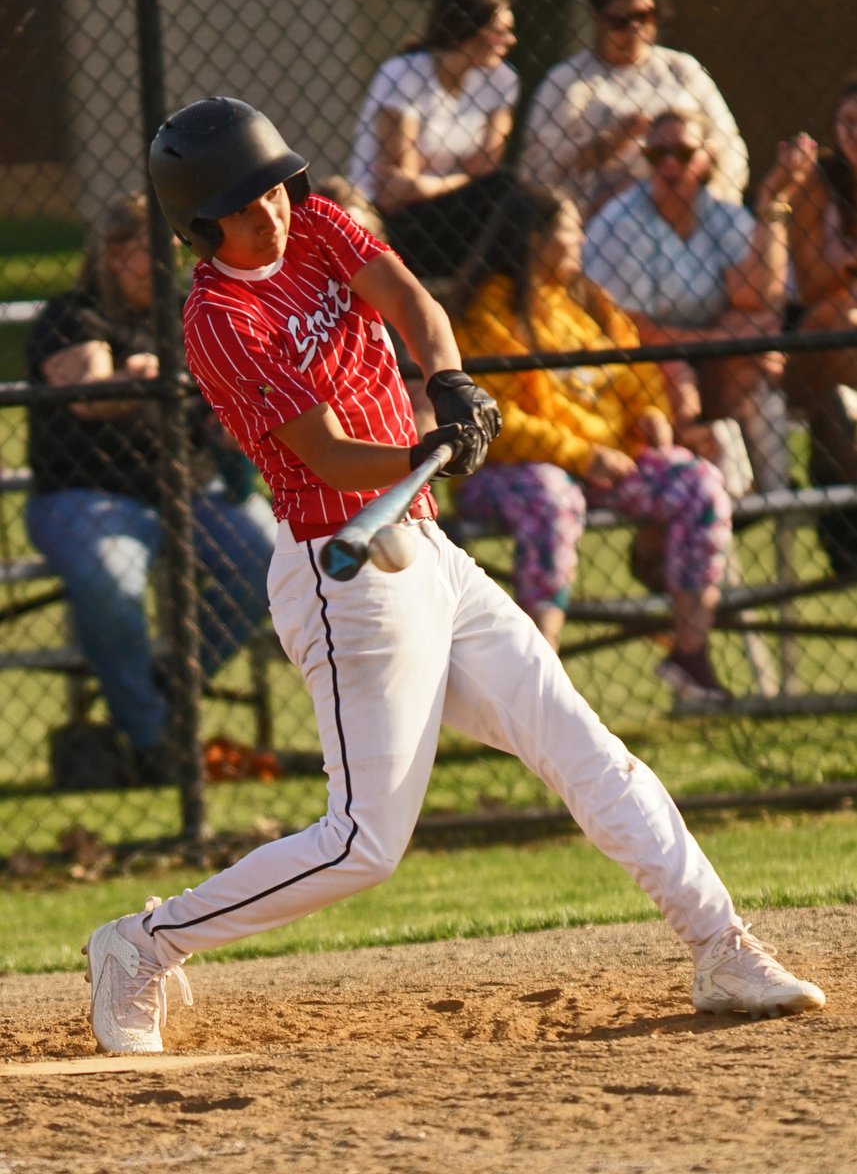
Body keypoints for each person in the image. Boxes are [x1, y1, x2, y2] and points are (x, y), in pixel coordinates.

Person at [83, 97, 824, 1056]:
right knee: (363, 845)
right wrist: (426, 452)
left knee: (584, 747)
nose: (269, 210)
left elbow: (411, 303)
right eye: (243, 202)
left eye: (271, 188)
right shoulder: (218, 319)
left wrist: (448, 384)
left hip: (425, 549)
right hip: (340, 571)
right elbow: (325, 456)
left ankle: (721, 947)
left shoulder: (314, 223)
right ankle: (140, 944)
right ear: (200, 219)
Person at [26, 192, 278, 785]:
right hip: (86, 496)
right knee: (111, 581)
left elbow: (225, 397)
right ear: (114, 255)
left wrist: (227, 419)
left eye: (176, 250)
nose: (172, 263)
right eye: (153, 250)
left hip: (188, 491)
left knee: (267, 557)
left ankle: (156, 690)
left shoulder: (186, 314)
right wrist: (136, 374)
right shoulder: (72, 314)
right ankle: (154, 743)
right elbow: (89, 395)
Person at [449, 183, 732, 699]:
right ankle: (539, 682)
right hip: (511, 473)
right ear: (535, 240)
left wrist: (649, 412)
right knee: (551, 496)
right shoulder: (489, 312)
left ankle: (690, 654)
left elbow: (635, 371)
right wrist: (580, 454)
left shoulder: (587, 301)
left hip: (604, 463)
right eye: (570, 228)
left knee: (698, 483)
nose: (581, 239)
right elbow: (497, 420)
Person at [583, 109, 816, 492]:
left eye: (684, 154)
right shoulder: (622, 222)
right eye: (658, 156)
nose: (670, 164)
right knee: (678, 373)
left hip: (704, 354)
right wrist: (723, 338)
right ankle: (710, 494)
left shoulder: (717, 212)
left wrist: (774, 199)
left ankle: (770, 501)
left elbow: (761, 298)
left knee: (753, 366)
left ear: (708, 159)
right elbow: (630, 330)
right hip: (633, 364)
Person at [518, 0, 748, 221]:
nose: (635, 28)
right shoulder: (566, 81)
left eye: (645, 16)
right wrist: (608, 145)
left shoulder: (681, 70)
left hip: (686, 208)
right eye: (620, 21)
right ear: (596, 18)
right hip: (599, 215)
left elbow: (728, 144)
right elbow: (536, 170)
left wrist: (710, 199)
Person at [348, 0, 519, 278]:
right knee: (502, 188)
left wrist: (433, 183)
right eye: (500, 32)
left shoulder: (501, 80)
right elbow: (396, 193)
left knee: (508, 190)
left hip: (449, 211)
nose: (511, 41)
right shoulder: (405, 74)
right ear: (468, 29)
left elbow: (487, 168)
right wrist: (464, 177)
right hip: (392, 220)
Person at [784, 80, 857, 495]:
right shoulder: (819, 182)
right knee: (845, 314)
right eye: (847, 122)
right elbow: (813, 289)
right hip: (812, 339)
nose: (855, 133)